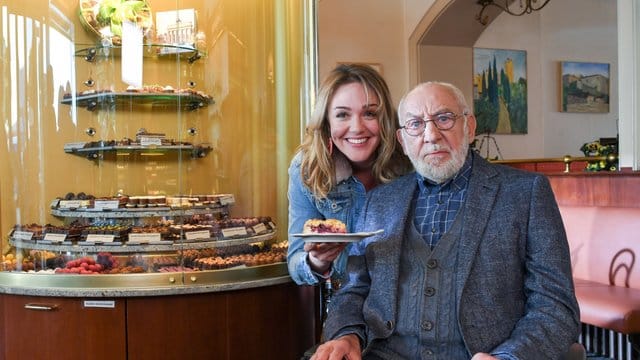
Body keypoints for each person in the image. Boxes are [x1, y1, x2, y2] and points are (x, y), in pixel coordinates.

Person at [311, 82, 581, 359]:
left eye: (444, 118)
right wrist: (346, 335)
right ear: (403, 141)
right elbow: (355, 290)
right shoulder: (378, 202)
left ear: (470, 127)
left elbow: (556, 304)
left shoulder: (526, 193)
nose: (431, 135)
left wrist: (511, 356)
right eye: (415, 124)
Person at [287, 64, 412, 286]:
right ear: (326, 122)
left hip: (407, 298)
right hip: (344, 300)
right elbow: (296, 262)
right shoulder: (307, 168)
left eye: (369, 113)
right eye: (342, 114)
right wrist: (316, 260)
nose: (356, 127)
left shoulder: (410, 163)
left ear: (385, 119)